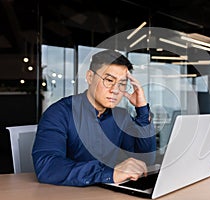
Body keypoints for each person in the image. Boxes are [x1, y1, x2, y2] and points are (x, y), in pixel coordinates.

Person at [32, 49, 156, 186]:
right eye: (109, 80)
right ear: (90, 77)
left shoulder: (121, 116)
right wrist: (110, 173)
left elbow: (145, 160)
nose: (115, 90)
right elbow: (47, 167)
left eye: (122, 84)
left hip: (109, 193)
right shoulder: (59, 113)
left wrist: (142, 110)